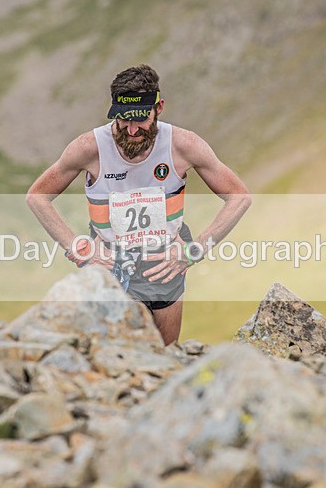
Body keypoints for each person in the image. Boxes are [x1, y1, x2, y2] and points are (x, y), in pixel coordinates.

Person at [26, 64, 251, 346]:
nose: (132, 129)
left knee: (166, 355)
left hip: (164, 264)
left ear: (159, 108)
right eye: (123, 119)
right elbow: (37, 196)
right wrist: (79, 248)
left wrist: (195, 250)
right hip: (111, 263)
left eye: (141, 118)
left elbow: (239, 197)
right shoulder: (89, 148)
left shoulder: (183, 145)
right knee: (120, 355)